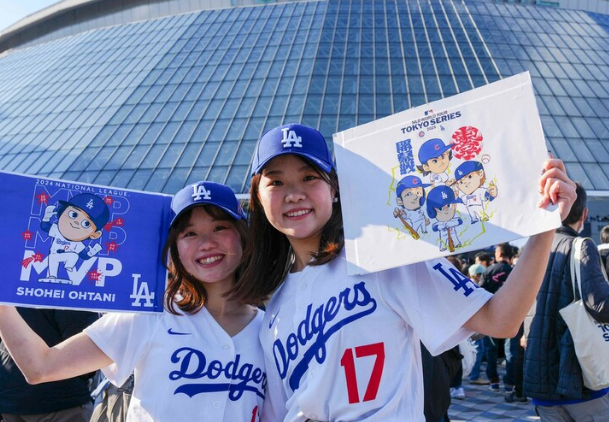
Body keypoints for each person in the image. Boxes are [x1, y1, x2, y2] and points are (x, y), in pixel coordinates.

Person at [231, 123, 576, 421]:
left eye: (309, 177)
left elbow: (500, 320)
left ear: (334, 188)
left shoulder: (384, 255)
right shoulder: (274, 309)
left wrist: (545, 226)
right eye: (276, 182)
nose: (294, 194)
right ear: (258, 196)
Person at [0, 181, 265, 422]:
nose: (206, 243)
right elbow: (41, 367)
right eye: (190, 234)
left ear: (243, 235)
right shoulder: (150, 314)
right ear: (173, 247)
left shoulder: (270, 328)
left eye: (220, 228)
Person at [524, 182, 609, 420]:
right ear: (584, 214)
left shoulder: (533, 248)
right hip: (577, 375)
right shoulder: (581, 245)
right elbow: (600, 305)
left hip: (539, 375)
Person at [0, 308, 99, 422]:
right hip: (59, 400)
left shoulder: (11, 297)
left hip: (11, 395)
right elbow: (86, 352)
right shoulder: (70, 299)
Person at [479, 242, 514, 391]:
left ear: (498, 254)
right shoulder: (516, 271)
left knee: (491, 350)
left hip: (491, 314)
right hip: (513, 314)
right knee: (511, 351)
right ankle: (510, 383)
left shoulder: (488, 271)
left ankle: (493, 381)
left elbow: (479, 293)